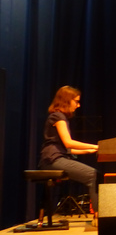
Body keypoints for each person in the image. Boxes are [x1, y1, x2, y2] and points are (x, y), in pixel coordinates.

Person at [39, 86, 99, 221]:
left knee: (96, 175)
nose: (78, 105)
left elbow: (66, 149)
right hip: (52, 160)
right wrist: (96, 146)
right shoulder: (58, 116)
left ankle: (99, 214)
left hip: (55, 158)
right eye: (76, 101)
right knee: (93, 175)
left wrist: (88, 150)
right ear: (67, 101)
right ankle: (98, 216)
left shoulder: (60, 117)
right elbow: (68, 143)